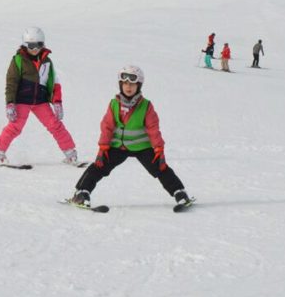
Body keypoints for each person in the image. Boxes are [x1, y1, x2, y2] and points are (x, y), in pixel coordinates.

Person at [68, 65, 192, 209]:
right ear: (120, 85)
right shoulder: (114, 104)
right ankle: (81, 193)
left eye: (132, 84)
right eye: (125, 83)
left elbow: (153, 128)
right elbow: (107, 126)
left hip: (142, 147)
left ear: (138, 86)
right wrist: (103, 146)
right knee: (99, 166)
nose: (128, 87)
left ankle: (180, 193)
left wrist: (158, 148)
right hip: (118, 146)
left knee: (160, 167)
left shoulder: (146, 106)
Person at [0, 27, 77, 165]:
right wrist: (10, 103)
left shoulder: (47, 61)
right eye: (31, 45)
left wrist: (57, 102)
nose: (35, 49)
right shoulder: (18, 60)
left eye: (39, 45)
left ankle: (70, 153)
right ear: (25, 45)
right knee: (15, 127)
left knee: (55, 125)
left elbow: (54, 82)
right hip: (22, 100)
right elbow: (11, 83)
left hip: (40, 101)